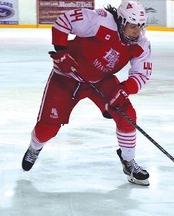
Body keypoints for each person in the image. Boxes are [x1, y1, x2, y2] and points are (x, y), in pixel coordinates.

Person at [22, 0, 152, 186]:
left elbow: (142, 74)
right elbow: (63, 22)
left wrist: (124, 90)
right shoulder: (100, 21)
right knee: (48, 129)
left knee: (127, 114)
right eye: (132, 26)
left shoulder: (141, 44)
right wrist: (61, 52)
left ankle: (128, 162)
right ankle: (35, 147)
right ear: (122, 21)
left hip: (101, 80)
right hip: (67, 76)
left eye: (140, 26)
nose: (137, 31)